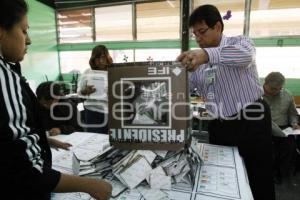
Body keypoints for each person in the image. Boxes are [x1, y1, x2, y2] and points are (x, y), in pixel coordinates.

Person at [0, 0, 112, 199]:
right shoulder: (5, 77)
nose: (29, 41)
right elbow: (23, 169)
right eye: (24, 31)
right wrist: (89, 185)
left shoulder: (12, 72)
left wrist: (46, 139)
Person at [177, 4, 275, 200]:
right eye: (194, 33)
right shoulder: (198, 63)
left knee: (259, 177)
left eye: (202, 31)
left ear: (218, 27)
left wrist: (206, 55)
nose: (197, 38)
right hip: (220, 126)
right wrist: (177, 73)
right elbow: (185, 90)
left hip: (251, 120)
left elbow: (246, 56)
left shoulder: (240, 42)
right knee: (223, 178)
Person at [263, 72, 300, 184]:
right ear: (265, 84)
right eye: (273, 89)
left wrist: (294, 122)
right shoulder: (255, 95)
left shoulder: (287, 95)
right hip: (264, 127)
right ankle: (266, 173)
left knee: (289, 146)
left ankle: (280, 173)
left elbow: (292, 113)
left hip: (284, 128)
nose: (276, 91)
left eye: (279, 89)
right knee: (267, 148)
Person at [77, 45, 112, 133]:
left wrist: (113, 92)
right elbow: (79, 92)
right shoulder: (88, 72)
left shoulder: (114, 71)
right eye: (97, 58)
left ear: (107, 57)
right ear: (93, 59)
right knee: (93, 138)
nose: (100, 61)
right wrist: (85, 91)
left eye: (103, 57)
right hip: (91, 111)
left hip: (109, 112)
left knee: (109, 138)